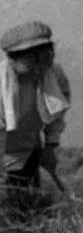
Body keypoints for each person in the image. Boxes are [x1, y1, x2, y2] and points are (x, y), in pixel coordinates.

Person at [0, 21, 71, 205]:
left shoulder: (53, 74)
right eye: (31, 60)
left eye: (45, 57)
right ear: (13, 59)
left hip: (29, 151)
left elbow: (57, 112)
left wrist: (50, 146)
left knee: (30, 208)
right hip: (5, 154)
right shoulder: (2, 83)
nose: (39, 66)